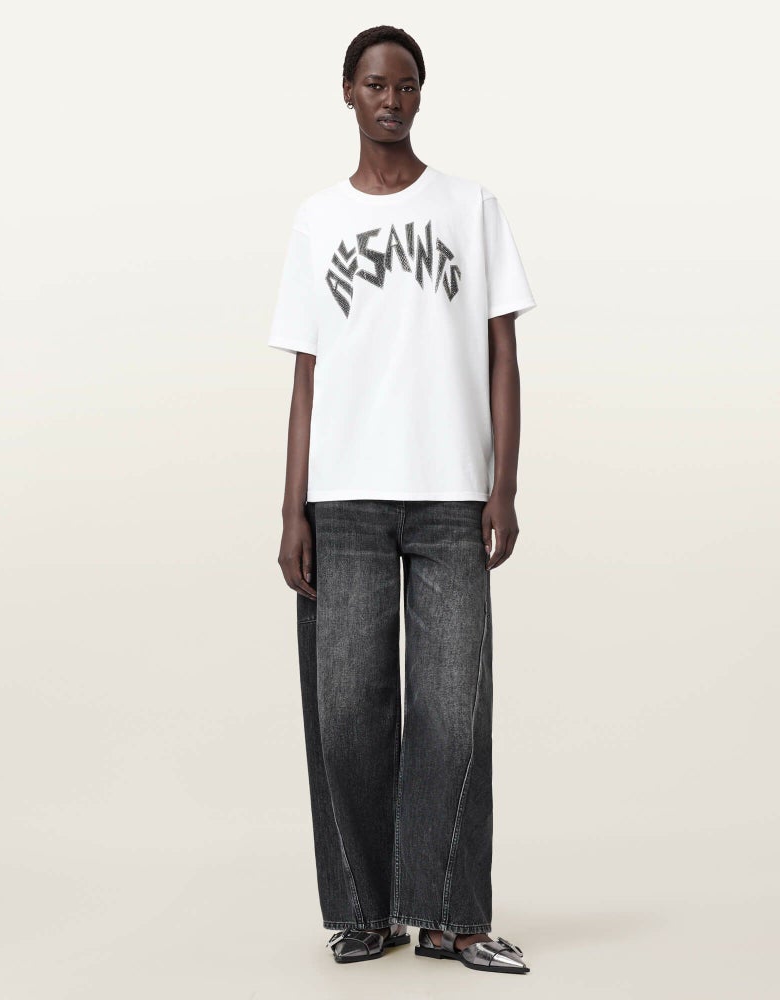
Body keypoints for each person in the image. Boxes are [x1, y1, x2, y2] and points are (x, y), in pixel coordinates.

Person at [267, 25, 535, 975]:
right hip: (343, 498)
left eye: (407, 85)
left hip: (451, 496)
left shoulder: (471, 206)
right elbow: (307, 373)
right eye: (376, 84)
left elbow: (502, 350)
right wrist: (291, 507)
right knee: (347, 710)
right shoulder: (317, 219)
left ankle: (454, 917)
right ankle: (366, 910)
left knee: (453, 712)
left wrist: (504, 484)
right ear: (348, 91)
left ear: (422, 94)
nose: (392, 99)